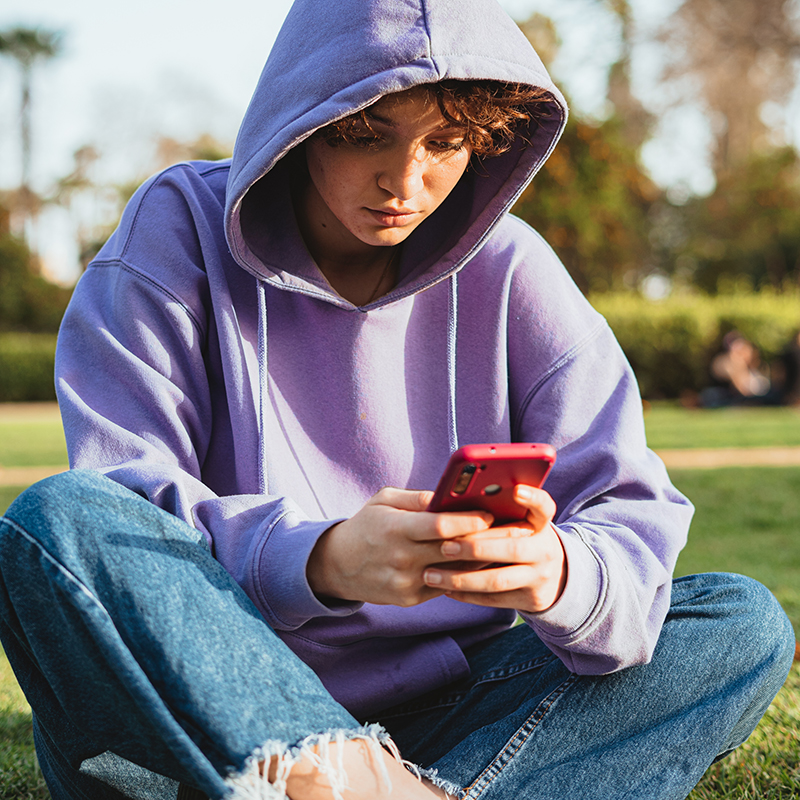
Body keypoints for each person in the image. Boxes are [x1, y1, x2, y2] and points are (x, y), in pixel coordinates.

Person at [0, 0, 795, 798]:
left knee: (738, 624)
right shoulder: (177, 231)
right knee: (60, 516)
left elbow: (630, 519)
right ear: (302, 120)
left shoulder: (514, 269)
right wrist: (323, 560)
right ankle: (328, 775)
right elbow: (123, 509)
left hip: (442, 700)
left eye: (444, 142)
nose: (404, 181)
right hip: (194, 719)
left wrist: (557, 571)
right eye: (364, 133)